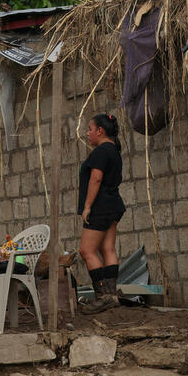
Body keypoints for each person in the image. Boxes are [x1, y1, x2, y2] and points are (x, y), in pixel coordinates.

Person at [77, 113, 126, 314]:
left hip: (100, 207)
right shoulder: (114, 151)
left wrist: (87, 206)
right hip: (114, 206)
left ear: (100, 131)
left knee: (86, 251)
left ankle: (103, 296)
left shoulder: (100, 152)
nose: (87, 133)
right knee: (108, 249)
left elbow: (95, 179)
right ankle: (112, 295)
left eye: (89, 129)